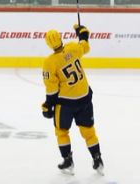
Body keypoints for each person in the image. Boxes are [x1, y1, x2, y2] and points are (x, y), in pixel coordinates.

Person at [41, 25, 103, 176]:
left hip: (66, 103)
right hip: (84, 97)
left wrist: (48, 106)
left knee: (61, 131)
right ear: (61, 38)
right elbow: (85, 46)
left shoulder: (50, 62)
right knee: (88, 131)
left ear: (48, 44)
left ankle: (67, 160)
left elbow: (52, 90)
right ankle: (97, 158)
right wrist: (82, 33)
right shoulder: (72, 48)